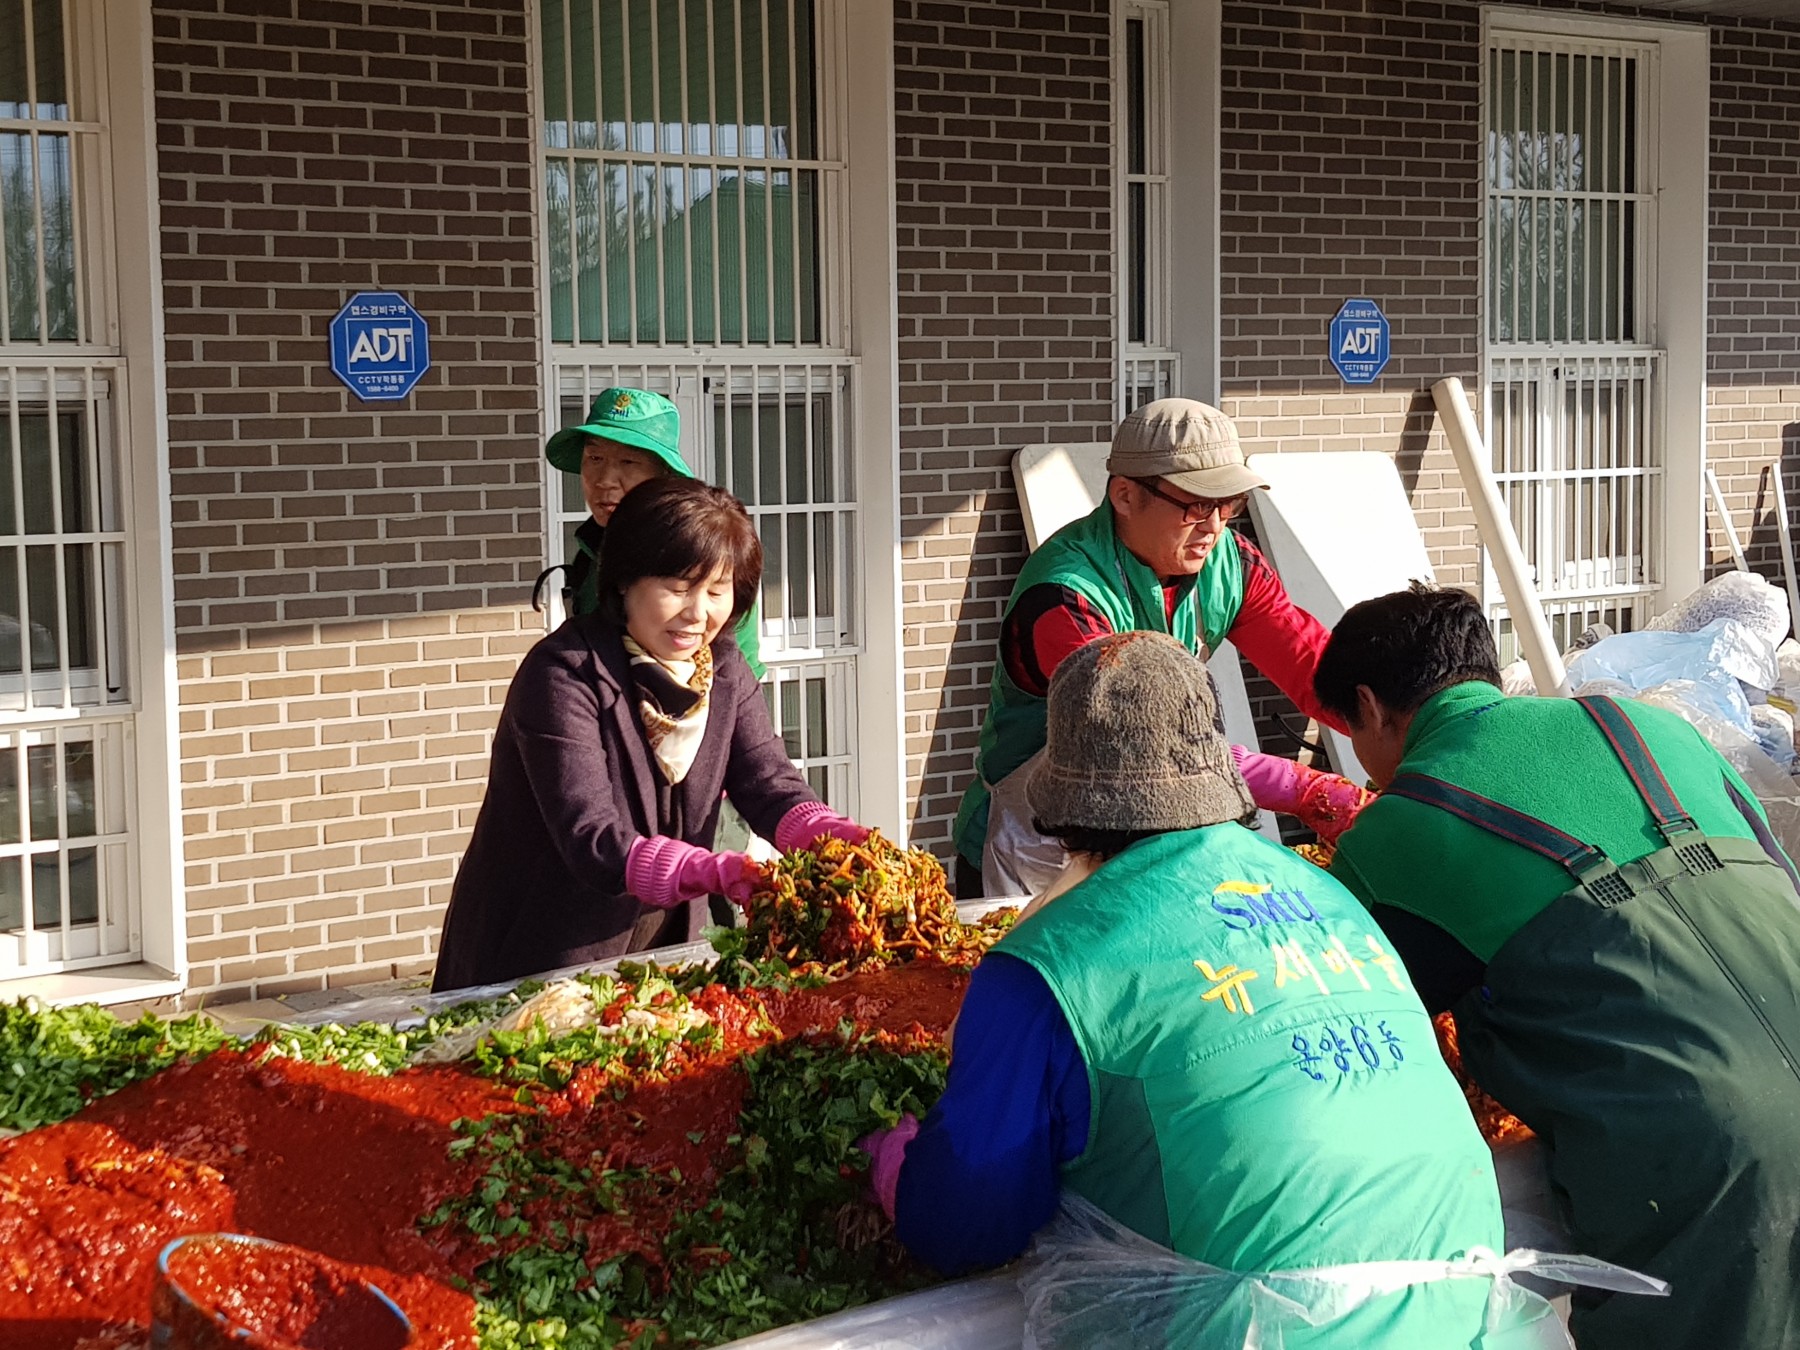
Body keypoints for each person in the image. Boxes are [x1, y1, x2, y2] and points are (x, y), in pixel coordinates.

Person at [870, 631, 1505, 1345]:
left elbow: (968, 1223)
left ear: (1068, 800)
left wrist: (896, 1164)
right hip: (1474, 1312)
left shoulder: (1045, 967)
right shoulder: (1326, 894)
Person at [1315, 583, 1800, 1350]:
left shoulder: (1399, 830)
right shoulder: (1646, 726)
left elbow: (1353, 1040)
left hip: (1705, 1156)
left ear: (1370, 709)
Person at [432, 477, 863, 991]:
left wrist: (835, 838)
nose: (697, 614)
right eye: (678, 589)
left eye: (717, 592)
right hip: (542, 958)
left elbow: (767, 781)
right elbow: (592, 837)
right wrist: (717, 872)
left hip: (665, 958)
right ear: (622, 582)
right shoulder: (564, 673)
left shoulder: (724, 670)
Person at [952, 398, 1349, 897]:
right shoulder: (1064, 596)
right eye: (1198, 504)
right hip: (1033, 841)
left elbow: (1316, 668)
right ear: (1124, 495)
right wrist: (1310, 790)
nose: (1216, 525)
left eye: (1231, 504)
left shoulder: (1231, 564)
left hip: (1149, 834)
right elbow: (1151, 743)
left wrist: (1409, 748)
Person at [535, 387, 764, 676]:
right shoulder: (590, 551)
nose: (604, 480)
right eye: (595, 459)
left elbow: (740, 677)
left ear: (664, 476)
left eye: (628, 462)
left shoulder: (705, 549)